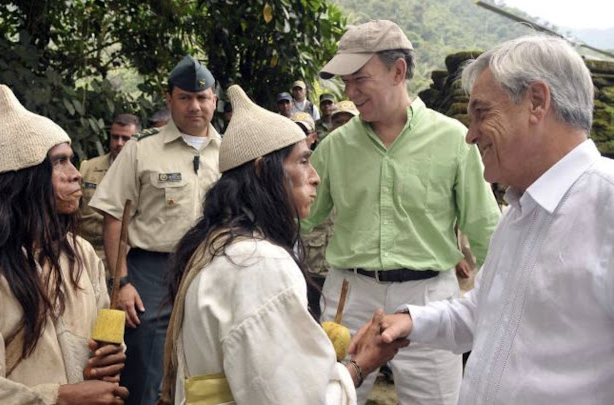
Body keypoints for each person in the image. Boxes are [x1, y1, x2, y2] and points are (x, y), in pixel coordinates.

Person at [364, 34, 614, 405]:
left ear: (536, 102)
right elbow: (484, 311)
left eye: (482, 113)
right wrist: (414, 321)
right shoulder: (518, 212)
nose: (470, 134)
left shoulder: (606, 205)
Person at [158, 85, 405, 405]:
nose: (315, 176)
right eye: (303, 161)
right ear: (264, 170)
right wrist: (360, 365)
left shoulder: (219, 244)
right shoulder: (258, 263)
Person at [302, 20, 500, 405]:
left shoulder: (454, 141)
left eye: (359, 79)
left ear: (398, 71)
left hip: (430, 299)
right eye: (345, 82)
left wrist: (498, 302)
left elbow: (484, 227)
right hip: (350, 293)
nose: (349, 92)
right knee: (329, 395)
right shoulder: (334, 148)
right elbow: (302, 216)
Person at [0, 85, 128, 404]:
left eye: (72, 161)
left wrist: (108, 354)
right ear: (19, 179)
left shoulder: (81, 254)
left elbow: (98, 337)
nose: (74, 175)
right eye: (59, 163)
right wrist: (58, 397)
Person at [89, 55, 221, 404]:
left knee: (206, 367)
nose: (195, 106)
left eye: (202, 97)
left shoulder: (230, 153)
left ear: (214, 101)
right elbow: (114, 215)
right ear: (169, 99)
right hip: (151, 272)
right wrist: (122, 282)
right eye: (185, 97)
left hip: (211, 268)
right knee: (144, 371)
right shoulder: (141, 149)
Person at [79, 113, 141, 264]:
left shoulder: (143, 173)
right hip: (87, 253)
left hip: (124, 255)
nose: (119, 143)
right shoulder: (88, 168)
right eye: (115, 137)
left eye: (126, 139)